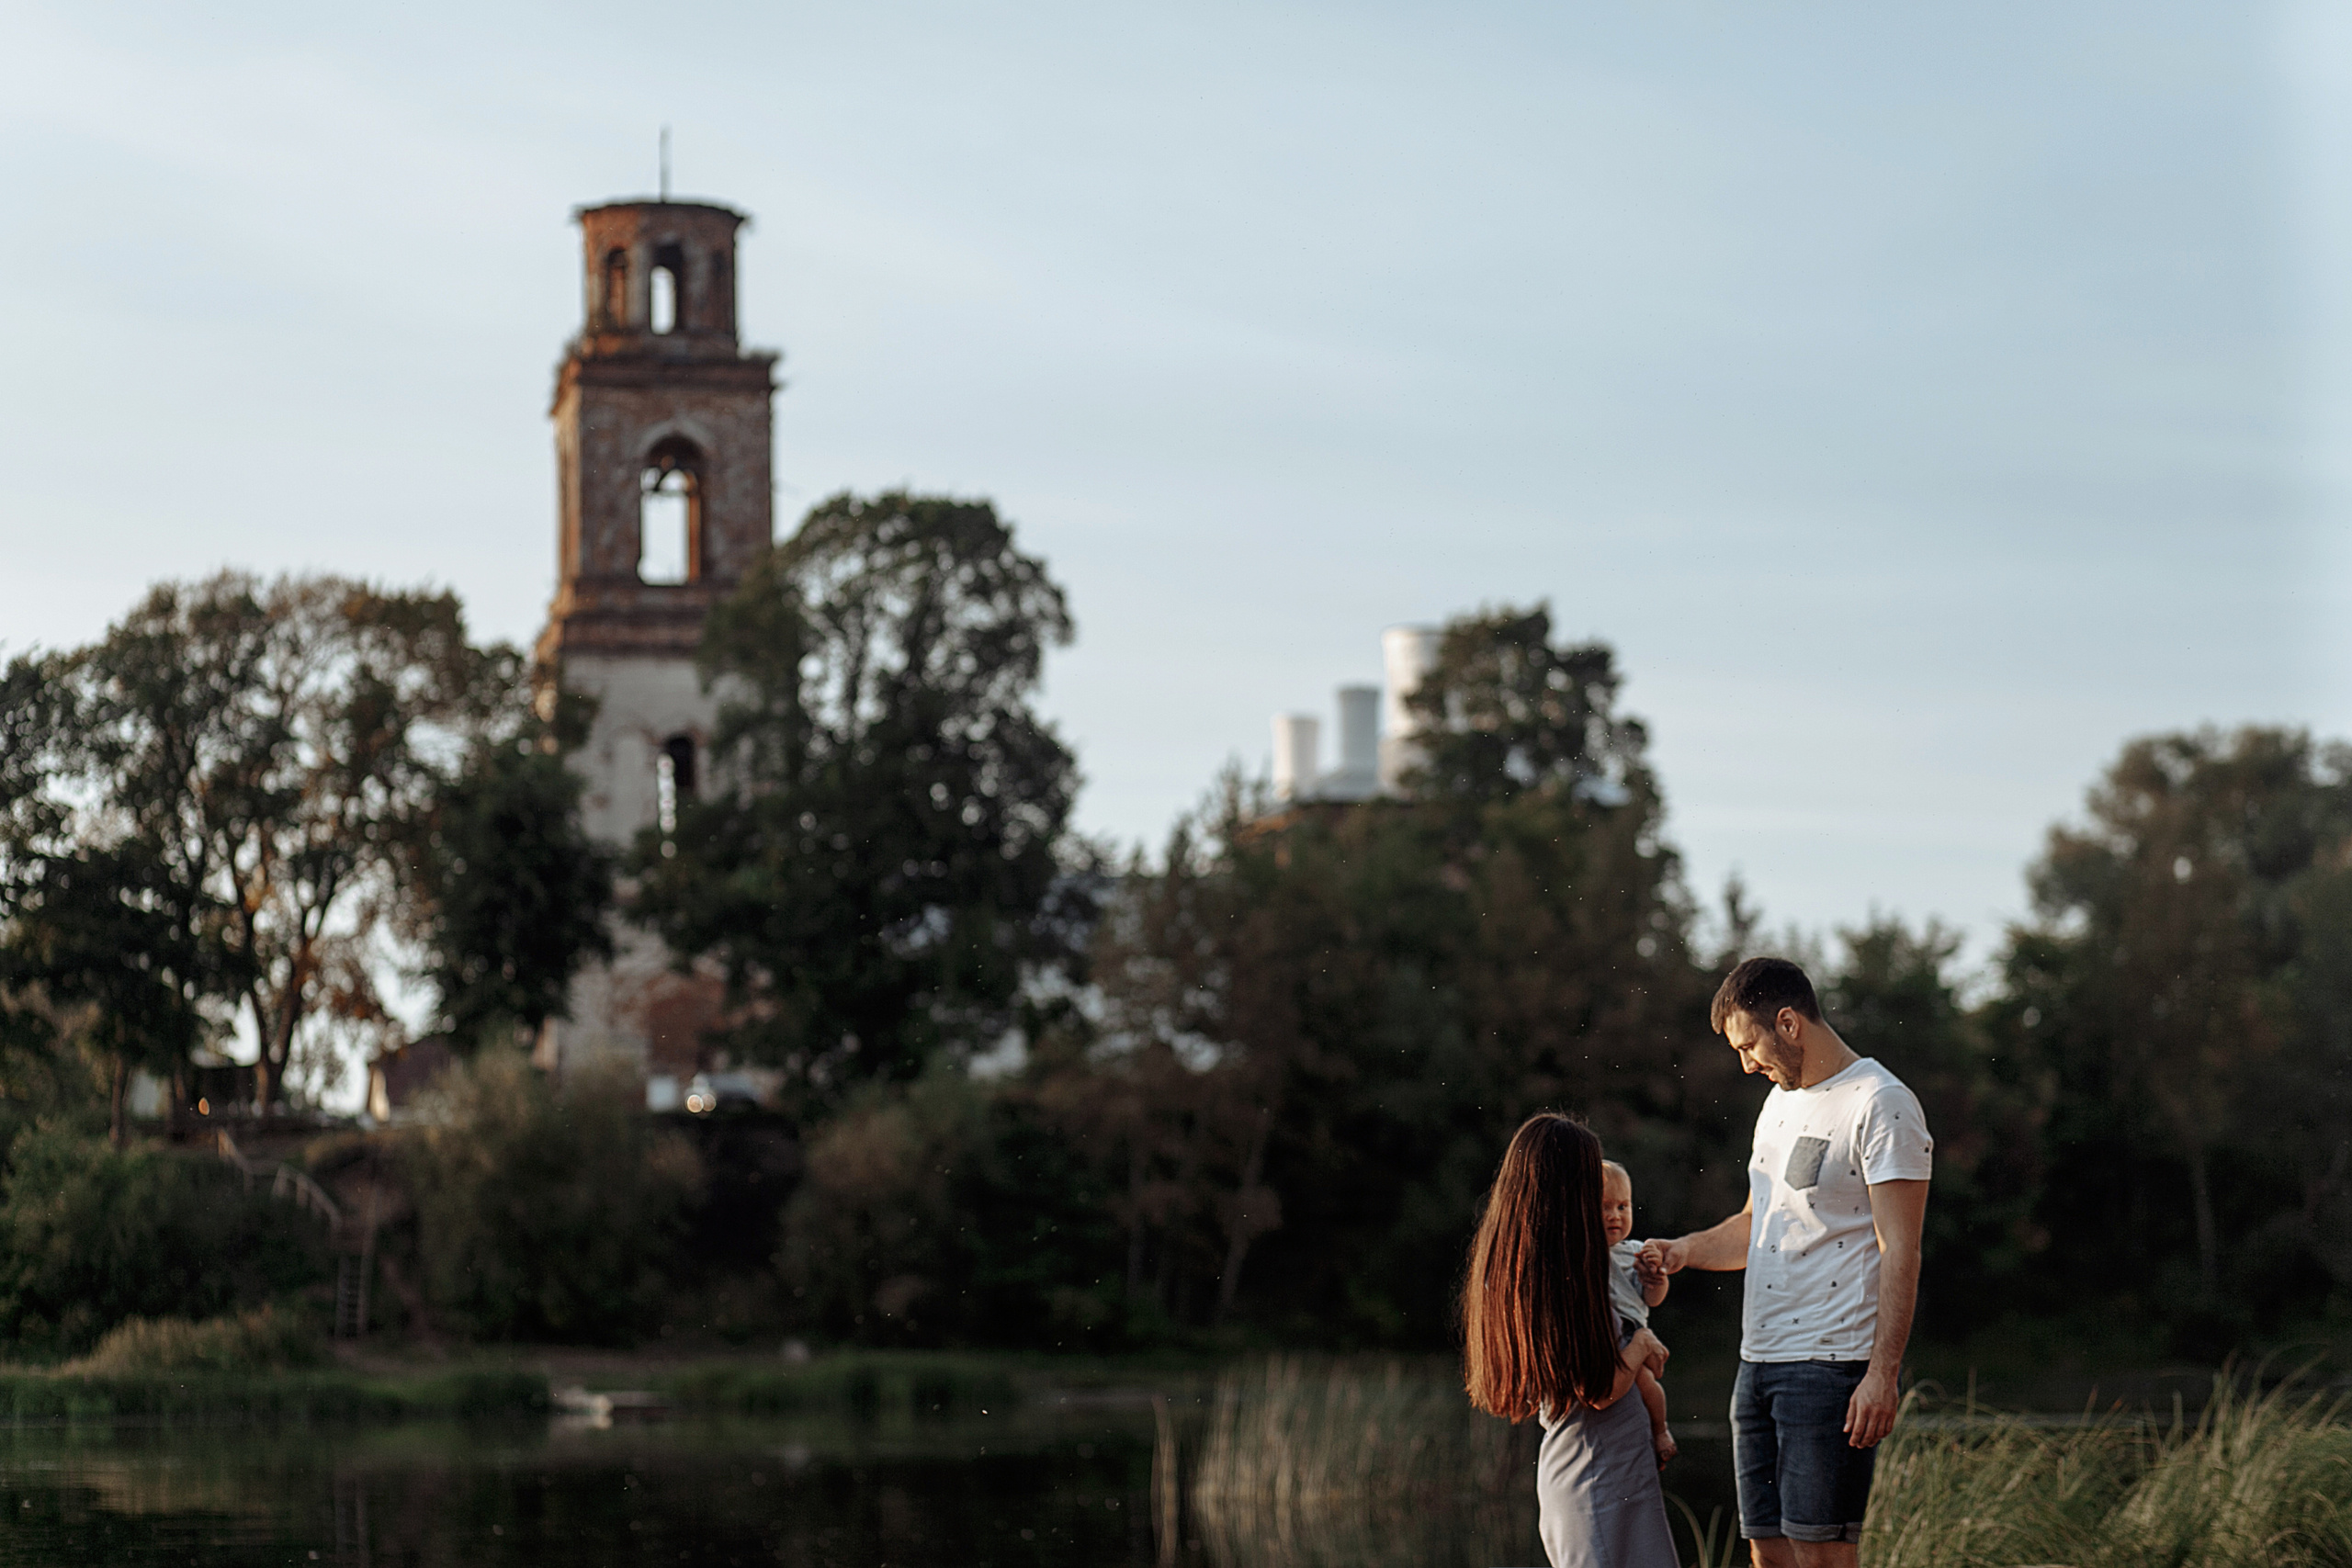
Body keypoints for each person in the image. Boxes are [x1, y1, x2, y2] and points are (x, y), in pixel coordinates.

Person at [1641, 957, 1932, 1568]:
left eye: (1749, 1045)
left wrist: (1882, 1373)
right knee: (1767, 1553)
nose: (1747, 1064)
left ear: (1789, 1023)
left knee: (1822, 1557)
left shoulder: (1882, 1102)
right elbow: (1758, 1223)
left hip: (1830, 1365)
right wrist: (1684, 1250)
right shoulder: (1778, 1104)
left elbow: (1901, 1247)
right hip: (1757, 1363)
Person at [1463, 1113, 1679, 1568]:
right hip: (1595, 1481)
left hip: (1613, 1474)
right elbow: (1598, 1391)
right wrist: (1642, 1342)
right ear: (1564, 1193)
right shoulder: (1560, 1284)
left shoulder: (1571, 1272)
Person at [1600, 1159, 1675, 1467]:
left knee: (1648, 1386)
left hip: (1632, 1336)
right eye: (1604, 1207)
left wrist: (1657, 1278)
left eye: (1623, 1206)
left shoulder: (1636, 1252)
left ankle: (1661, 1431)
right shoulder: (1585, 1253)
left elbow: (1652, 1299)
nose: (1615, 1216)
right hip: (1604, 1337)